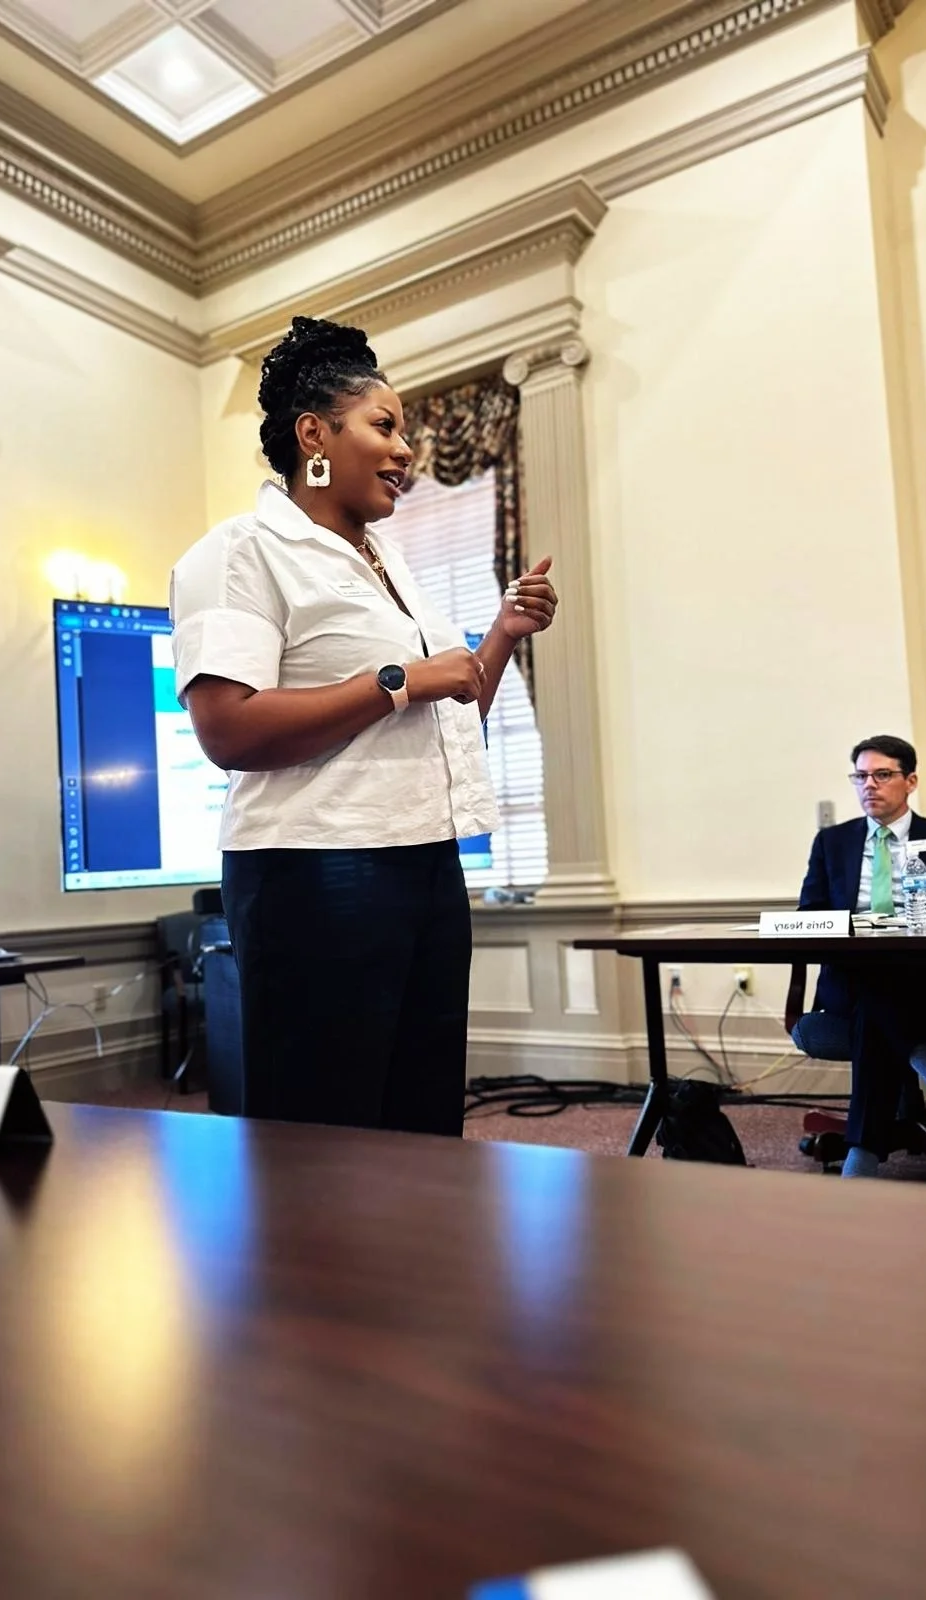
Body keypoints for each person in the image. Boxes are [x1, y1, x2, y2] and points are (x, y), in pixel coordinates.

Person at [170, 316, 558, 1136]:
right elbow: (229, 732)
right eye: (383, 426)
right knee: (327, 1123)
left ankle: (411, 1267)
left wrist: (500, 636)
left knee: (420, 1110)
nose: (405, 450)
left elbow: (444, 716)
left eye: (406, 433)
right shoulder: (239, 553)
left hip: (424, 862)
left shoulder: (393, 564)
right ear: (314, 434)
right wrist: (399, 678)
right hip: (316, 871)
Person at [794, 734, 926, 1177]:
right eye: (860, 776)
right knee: (874, 984)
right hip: (852, 976)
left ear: (911, 781)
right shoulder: (832, 843)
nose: (870, 785)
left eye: (883, 774)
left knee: (879, 997)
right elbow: (809, 914)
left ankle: (862, 1155)